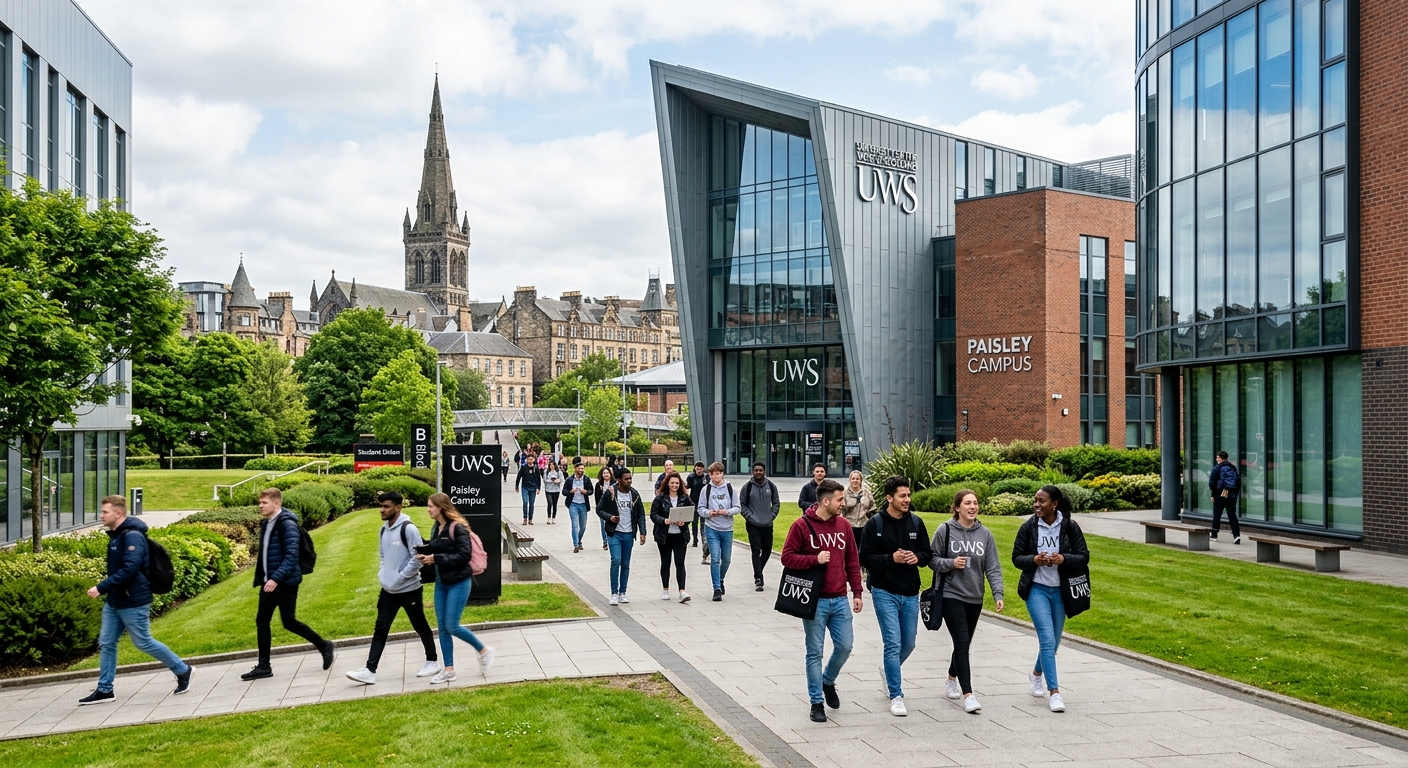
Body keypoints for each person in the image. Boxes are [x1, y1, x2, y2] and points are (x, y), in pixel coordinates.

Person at [79, 495, 194, 705]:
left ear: (118, 513)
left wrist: (101, 587)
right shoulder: (116, 535)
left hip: (134, 600)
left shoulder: (132, 536)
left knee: (143, 642)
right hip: (115, 600)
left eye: (105, 512)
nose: (101, 515)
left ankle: (183, 670)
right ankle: (105, 690)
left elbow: (129, 569)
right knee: (106, 643)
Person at [780, 478, 863, 724]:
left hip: (839, 598)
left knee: (845, 646)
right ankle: (816, 702)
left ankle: (828, 680)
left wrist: (857, 592)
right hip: (814, 601)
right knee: (814, 652)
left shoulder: (844, 526)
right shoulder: (801, 526)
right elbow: (787, 557)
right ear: (825, 501)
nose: (843, 503)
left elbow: (852, 560)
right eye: (839, 499)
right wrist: (814, 560)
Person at [346, 491, 440, 685]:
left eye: (386, 506)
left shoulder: (409, 529)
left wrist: (400, 577)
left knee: (419, 625)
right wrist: (384, 575)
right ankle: (370, 670)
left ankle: (432, 661)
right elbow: (382, 556)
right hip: (388, 590)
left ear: (398, 507)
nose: (382, 510)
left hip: (410, 589)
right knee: (381, 628)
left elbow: (418, 559)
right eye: (381, 506)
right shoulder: (383, 530)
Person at [240, 488, 334, 682]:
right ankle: (264, 666)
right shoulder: (267, 523)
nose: (260, 506)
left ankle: (324, 645)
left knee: (289, 622)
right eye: (260, 502)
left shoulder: (287, 525)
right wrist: (267, 578)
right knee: (262, 621)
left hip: (284, 582)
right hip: (270, 582)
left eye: (264, 502)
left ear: (276, 503)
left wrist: (275, 579)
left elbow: (292, 557)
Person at [1012, 485, 1090, 714]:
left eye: (1041, 501)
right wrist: (1035, 559)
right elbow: (1016, 558)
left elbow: (1084, 557)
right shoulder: (1028, 527)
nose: (1036, 504)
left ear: (1054, 504)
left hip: (1061, 591)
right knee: (1046, 639)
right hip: (1036, 589)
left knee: (1054, 642)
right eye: (1035, 500)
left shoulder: (1069, 526)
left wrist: (1063, 558)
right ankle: (1054, 692)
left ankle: (1036, 674)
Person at [859, 475, 933, 717]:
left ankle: (890, 671)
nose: (907, 500)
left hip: (911, 591)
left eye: (908, 495)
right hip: (884, 591)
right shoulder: (875, 524)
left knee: (909, 642)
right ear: (889, 498)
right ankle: (896, 694)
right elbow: (865, 558)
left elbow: (927, 553)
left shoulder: (916, 523)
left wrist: (916, 558)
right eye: (902, 496)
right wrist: (892, 558)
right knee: (892, 643)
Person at [930, 489, 1004, 714]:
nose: (972, 507)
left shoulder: (985, 534)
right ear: (957, 507)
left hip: (975, 596)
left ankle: (952, 677)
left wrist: (998, 594)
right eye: (968, 503)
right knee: (962, 642)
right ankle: (969, 694)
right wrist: (951, 563)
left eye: (975, 503)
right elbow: (931, 560)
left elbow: (992, 566)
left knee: (964, 643)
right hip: (951, 595)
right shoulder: (945, 530)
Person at [413, 493, 495, 683]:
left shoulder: (457, 528)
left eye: (430, 506)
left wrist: (436, 558)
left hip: (459, 582)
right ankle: (449, 670)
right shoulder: (437, 527)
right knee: (442, 628)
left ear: (441, 507)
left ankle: (483, 650)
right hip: (442, 583)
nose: (428, 509)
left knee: (452, 625)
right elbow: (437, 546)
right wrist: (421, 549)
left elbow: (463, 556)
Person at [599, 470, 647, 606]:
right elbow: (599, 509)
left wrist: (642, 532)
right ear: (619, 479)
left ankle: (622, 592)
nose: (629, 481)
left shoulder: (634, 494)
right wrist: (610, 517)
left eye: (630, 479)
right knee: (616, 560)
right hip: (615, 533)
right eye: (626, 479)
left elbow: (641, 514)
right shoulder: (611, 492)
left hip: (628, 533)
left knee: (625, 564)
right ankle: (614, 592)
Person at [697, 462, 740, 601]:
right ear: (709, 475)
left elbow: (737, 507)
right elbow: (700, 509)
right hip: (712, 527)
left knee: (726, 559)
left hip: (727, 528)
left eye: (718, 473)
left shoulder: (729, 488)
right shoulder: (706, 490)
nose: (715, 476)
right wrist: (709, 513)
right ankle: (716, 588)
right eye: (713, 474)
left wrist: (726, 512)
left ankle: (721, 579)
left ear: (722, 473)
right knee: (715, 558)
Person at [650, 471, 692, 603]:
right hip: (665, 535)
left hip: (680, 535)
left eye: (677, 483)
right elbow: (653, 514)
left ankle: (682, 590)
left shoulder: (685, 497)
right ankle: (665, 589)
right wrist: (664, 521)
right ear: (667, 483)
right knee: (666, 562)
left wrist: (684, 521)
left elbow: (692, 511)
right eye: (672, 483)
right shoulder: (660, 498)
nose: (674, 485)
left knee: (680, 563)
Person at [739, 462, 780, 592]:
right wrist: (750, 517)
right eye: (756, 470)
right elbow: (742, 505)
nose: (758, 472)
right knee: (756, 551)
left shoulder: (771, 486)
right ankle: (758, 579)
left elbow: (776, 503)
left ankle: (758, 569)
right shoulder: (747, 487)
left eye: (760, 470)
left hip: (767, 523)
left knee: (767, 550)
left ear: (764, 471)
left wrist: (771, 515)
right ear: (752, 472)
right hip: (753, 525)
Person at [1209, 450, 1241, 544]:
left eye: (1218, 458)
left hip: (1219, 495)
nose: (1217, 459)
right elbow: (1238, 482)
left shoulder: (1217, 468)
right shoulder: (1233, 467)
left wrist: (1213, 494)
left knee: (1217, 515)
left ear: (1222, 458)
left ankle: (1214, 534)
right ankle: (1236, 536)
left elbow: (1212, 483)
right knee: (1232, 515)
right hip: (1232, 496)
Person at [565, 462, 595, 553]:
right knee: (575, 525)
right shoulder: (570, 480)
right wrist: (570, 491)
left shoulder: (586, 479)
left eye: (582, 469)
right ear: (575, 468)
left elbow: (591, 490)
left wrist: (586, 492)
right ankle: (576, 545)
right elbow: (564, 491)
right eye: (580, 468)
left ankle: (579, 540)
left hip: (583, 505)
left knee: (583, 527)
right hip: (573, 504)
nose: (581, 470)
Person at [842, 470, 876, 542]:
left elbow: (873, 507)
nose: (855, 481)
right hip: (849, 525)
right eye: (853, 479)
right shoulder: (844, 493)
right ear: (849, 480)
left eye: (857, 479)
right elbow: (840, 509)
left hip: (864, 525)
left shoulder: (867, 492)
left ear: (861, 480)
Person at [686, 461, 709, 556]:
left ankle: (704, 540)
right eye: (697, 468)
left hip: (703, 503)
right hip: (694, 502)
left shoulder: (706, 477)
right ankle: (695, 539)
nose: (699, 470)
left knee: (703, 523)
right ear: (695, 468)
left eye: (700, 468)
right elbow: (687, 487)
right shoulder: (691, 477)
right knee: (694, 522)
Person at [515, 457, 543, 525]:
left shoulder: (536, 468)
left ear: (533, 460)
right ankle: (525, 518)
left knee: (531, 504)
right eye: (528, 459)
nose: (529, 461)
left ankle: (530, 518)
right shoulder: (524, 467)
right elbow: (519, 476)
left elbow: (538, 479)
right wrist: (517, 485)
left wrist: (538, 488)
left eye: (531, 459)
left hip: (533, 488)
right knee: (525, 502)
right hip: (525, 487)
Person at [594, 466, 616, 550]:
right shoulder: (599, 485)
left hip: (612, 508)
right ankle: (605, 541)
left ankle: (611, 540)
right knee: (603, 525)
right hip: (603, 508)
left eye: (607, 473)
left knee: (612, 524)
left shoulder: (614, 484)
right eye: (604, 473)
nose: (606, 475)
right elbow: (597, 498)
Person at [544, 461, 565, 525]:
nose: (551, 467)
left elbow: (562, 479)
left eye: (553, 466)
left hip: (556, 490)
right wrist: (551, 480)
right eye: (550, 466)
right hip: (548, 489)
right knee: (549, 503)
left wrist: (558, 481)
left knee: (555, 504)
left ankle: (553, 518)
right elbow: (545, 479)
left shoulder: (558, 472)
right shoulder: (546, 471)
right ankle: (549, 517)